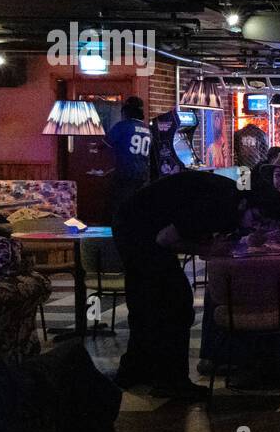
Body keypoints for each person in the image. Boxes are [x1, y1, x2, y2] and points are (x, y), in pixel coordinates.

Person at [112, 170, 246, 399]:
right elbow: (165, 239)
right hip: (138, 229)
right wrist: (208, 250)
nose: (256, 225)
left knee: (145, 302)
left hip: (131, 221)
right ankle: (171, 382)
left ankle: (137, 370)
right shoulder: (222, 204)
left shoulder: (229, 196)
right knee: (176, 302)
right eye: (258, 218)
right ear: (246, 205)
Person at [103, 96, 151, 217]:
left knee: (120, 208)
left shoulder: (122, 126)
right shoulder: (147, 129)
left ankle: (120, 233)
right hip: (143, 175)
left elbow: (104, 145)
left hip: (125, 173)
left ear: (126, 111)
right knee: (138, 208)